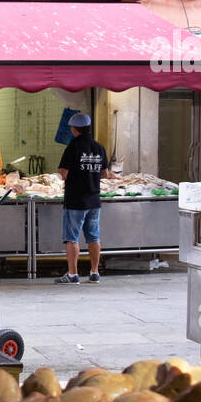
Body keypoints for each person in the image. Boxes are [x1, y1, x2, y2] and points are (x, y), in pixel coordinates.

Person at [56, 112, 117, 284]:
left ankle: (73, 274)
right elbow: (105, 174)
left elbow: (63, 174)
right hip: (94, 200)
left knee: (72, 237)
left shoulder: (72, 147)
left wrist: (59, 174)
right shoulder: (99, 148)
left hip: (76, 200)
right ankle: (95, 272)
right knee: (93, 237)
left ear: (74, 129)